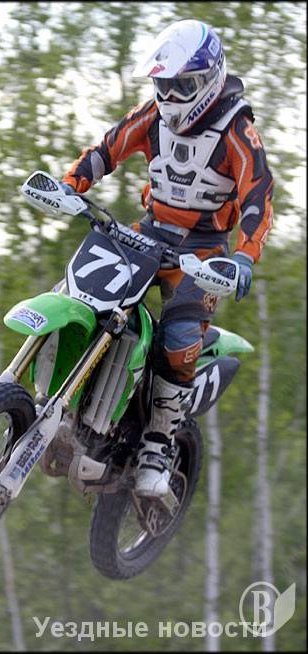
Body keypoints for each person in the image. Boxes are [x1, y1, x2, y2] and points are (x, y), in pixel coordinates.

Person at [60, 19, 274, 498]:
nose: (171, 97)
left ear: (209, 80)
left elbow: (258, 195)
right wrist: (70, 184)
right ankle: (67, 394)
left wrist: (245, 257)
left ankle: (157, 445)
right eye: (164, 85)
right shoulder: (152, 115)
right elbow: (107, 148)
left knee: (177, 338)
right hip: (149, 231)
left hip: (203, 251)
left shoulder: (237, 130)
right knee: (84, 291)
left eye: (182, 86)